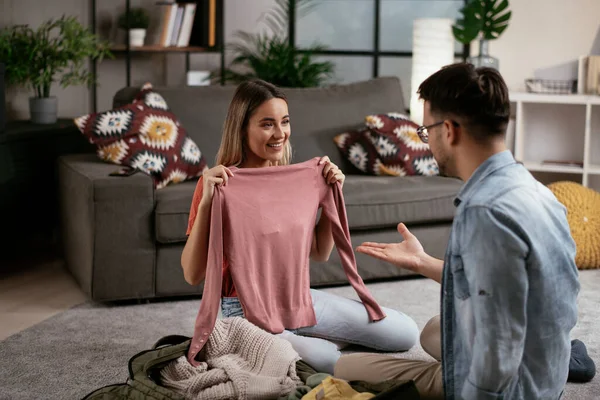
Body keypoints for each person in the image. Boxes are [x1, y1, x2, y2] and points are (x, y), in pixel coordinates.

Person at [334, 63, 581, 399]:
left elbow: (498, 340)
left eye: (426, 132)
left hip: (515, 390)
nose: (427, 143)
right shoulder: (538, 191)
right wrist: (422, 262)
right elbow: (516, 287)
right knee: (434, 331)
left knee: (343, 368)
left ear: (448, 130)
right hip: (547, 367)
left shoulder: (484, 211)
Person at [181, 79, 419, 375]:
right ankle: (281, 340)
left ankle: (301, 336)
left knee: (405, 333)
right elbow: (192, 275)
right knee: (327, 361)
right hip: (244, 311)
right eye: (267, 124)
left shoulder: (295, 180)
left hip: (297, 299)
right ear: (242, 129)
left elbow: (319, 253)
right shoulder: (219, 184)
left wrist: (327, 199)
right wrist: (205, 205)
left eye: (285, 122)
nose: (280, 133)